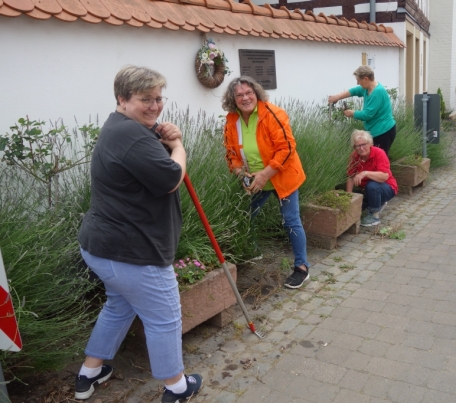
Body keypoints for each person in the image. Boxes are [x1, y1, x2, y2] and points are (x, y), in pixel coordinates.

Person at [76, 66, 201, 402]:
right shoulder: (129, 136)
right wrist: (178, 146)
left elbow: (146, 155)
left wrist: (160, 133)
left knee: (118, 307)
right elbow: (170, 177)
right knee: (164, 319)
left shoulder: (123, 126)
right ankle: (177, 387)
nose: (155, 105)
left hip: (103, 246)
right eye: (146, 99)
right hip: (131, 251)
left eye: (159, 98)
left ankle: (89, 373)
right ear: (122, 99)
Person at [222, 76, 310, 289]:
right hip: (254, 180)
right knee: (245, 217)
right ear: (232, 99)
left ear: (257, 93)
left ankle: (302, 268)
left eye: (249, 93)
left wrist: (265, 174)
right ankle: (251, 251)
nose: (245, 98)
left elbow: (287, 148)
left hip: (281, 176)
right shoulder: (231, 120)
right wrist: (240, 173)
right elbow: (231, 153)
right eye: (239, 95)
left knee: (291, 221)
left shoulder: (273, 114)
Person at [328, 65, 397, 156]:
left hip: (383, 131)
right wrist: (337, 97)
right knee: (371, 159)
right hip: (374, 131)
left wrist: (352, 113)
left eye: (358, 80)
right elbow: (354, 91)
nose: (357, 83)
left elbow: (367, 115)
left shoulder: (377, 92)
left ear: (366, 79)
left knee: (379, 159)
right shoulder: (368, 88)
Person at [346, 130, 398, 227]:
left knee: (372, 186)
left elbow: (384, 176)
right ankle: (376, 203)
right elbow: (351, 177)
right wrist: (349, 197)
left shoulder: (379, 153)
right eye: (358, 146)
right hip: (365, 188)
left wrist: (365, 173)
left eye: (364, 144)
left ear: (370, 143)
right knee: (351, 194)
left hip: (387, 187)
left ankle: (375, 216)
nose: (361, 148)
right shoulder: (354, 156)